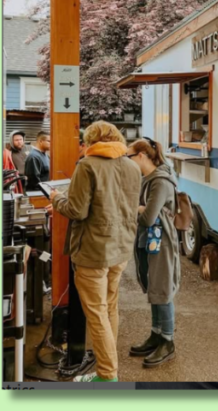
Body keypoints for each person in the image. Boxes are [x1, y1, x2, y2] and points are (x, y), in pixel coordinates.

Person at [49, 121, 142, 382]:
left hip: (93, 251)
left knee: (97, 313)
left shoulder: (87, 165)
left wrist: (56, 198)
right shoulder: (132, 166)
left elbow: (77, 210)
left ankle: (107, 375)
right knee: (110, 307)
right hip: (120, 248)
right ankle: (107, 368)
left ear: (91, 140)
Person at [127, 137, 181, 368]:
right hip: (149, 241)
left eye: (129, 156)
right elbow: (146, 211)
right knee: (153, 288)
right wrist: (141, 208)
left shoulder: (160, 181)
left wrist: (138, 208)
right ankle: (156, 334)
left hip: (161, 242)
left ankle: (167, 341)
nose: (127, 161)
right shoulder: (147, 178)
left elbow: (148, 217)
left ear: (141, 156)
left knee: (162, 289)